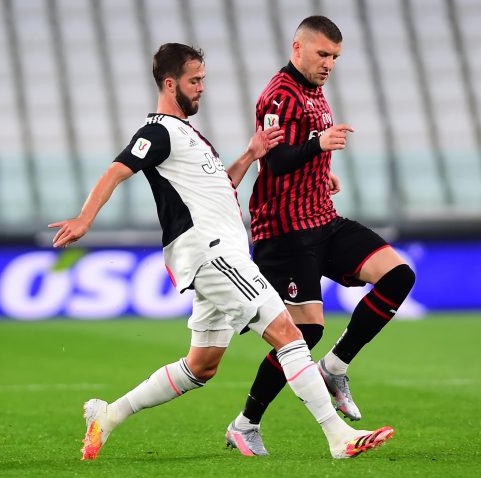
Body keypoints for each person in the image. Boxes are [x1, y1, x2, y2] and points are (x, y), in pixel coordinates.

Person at [49, 42, 394, 460]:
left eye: (204, 81)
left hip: (220, 253)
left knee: (201, 366)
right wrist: (85, 219)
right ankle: (339, 437)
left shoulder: (191, 137)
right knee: (288, 333)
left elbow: (220, 189)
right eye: (194, 81)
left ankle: (108, 416)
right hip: (211, 254)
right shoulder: (158, 132)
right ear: (170, 83)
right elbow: (116, 170)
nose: (201, 89)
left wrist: (250, 154)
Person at [224, 16, 416, 456]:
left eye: (335, 57)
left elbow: (301, 148)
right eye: (322, 54)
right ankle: (245, 424)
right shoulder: (279, 94)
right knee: (303, 333)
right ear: (298, 48)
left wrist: (321, 172)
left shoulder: (314, 91)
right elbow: (273, 160)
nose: (329, 63)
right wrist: (318, 148)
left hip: (322, 219)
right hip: (284, 231)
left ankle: (335, 366)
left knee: (398, 275)